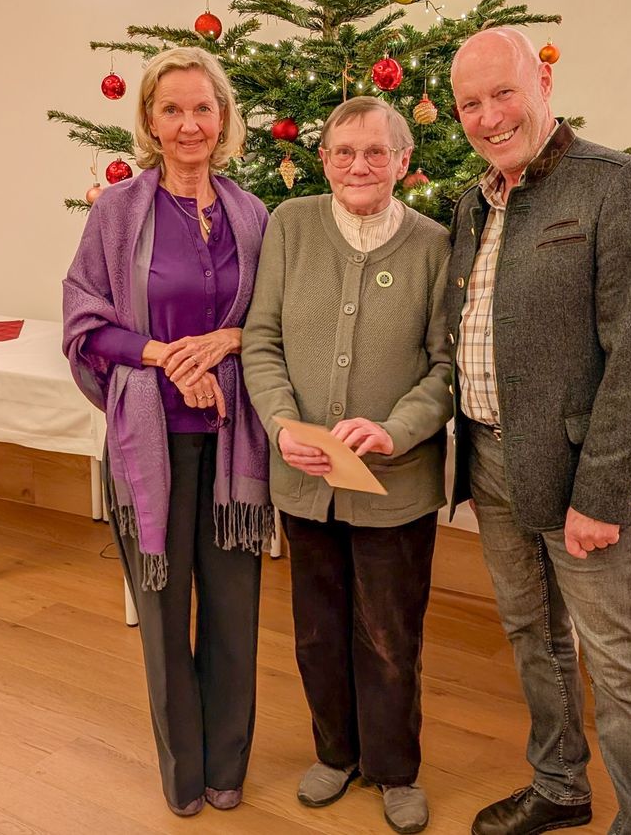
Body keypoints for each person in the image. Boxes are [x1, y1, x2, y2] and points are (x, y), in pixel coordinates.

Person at [448, 28, 631, 835]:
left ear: (543, 83)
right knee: (531, 636)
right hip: (490, 461)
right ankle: (559, 786)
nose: (488, 116)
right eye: (469, 104)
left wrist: (606, 492)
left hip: (585, 476)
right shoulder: (472, 201)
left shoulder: (618, 184)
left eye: (502, 93)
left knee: (618, 663)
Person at [63, 47, 273, 818]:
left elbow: (277, 322)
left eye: (203, 108)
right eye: (172, 109)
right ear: (150, 120)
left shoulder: (254, 215)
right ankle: (184, 775)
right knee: (162, 610)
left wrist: (231, 341)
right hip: (150, 440)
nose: (189, 124)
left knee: (232, 611)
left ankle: (228, 769)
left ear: (225, 118)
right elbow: (86, 322)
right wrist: (161, 357)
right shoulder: (118, 212)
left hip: (232, 447)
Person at [241, 95, 451, 835]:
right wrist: (280, 421)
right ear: (322, 157)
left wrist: (397, 429)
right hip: (305, 479)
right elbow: (260, 340)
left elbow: (446, 368)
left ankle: (395, 768)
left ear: (403, 160)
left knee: (391, 633)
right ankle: (334, 751)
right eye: (342, 152)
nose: (358, 166)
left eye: (375, 152)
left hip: (397, 486)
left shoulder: (434, 244)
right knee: (317, 628)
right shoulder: (290, 227)